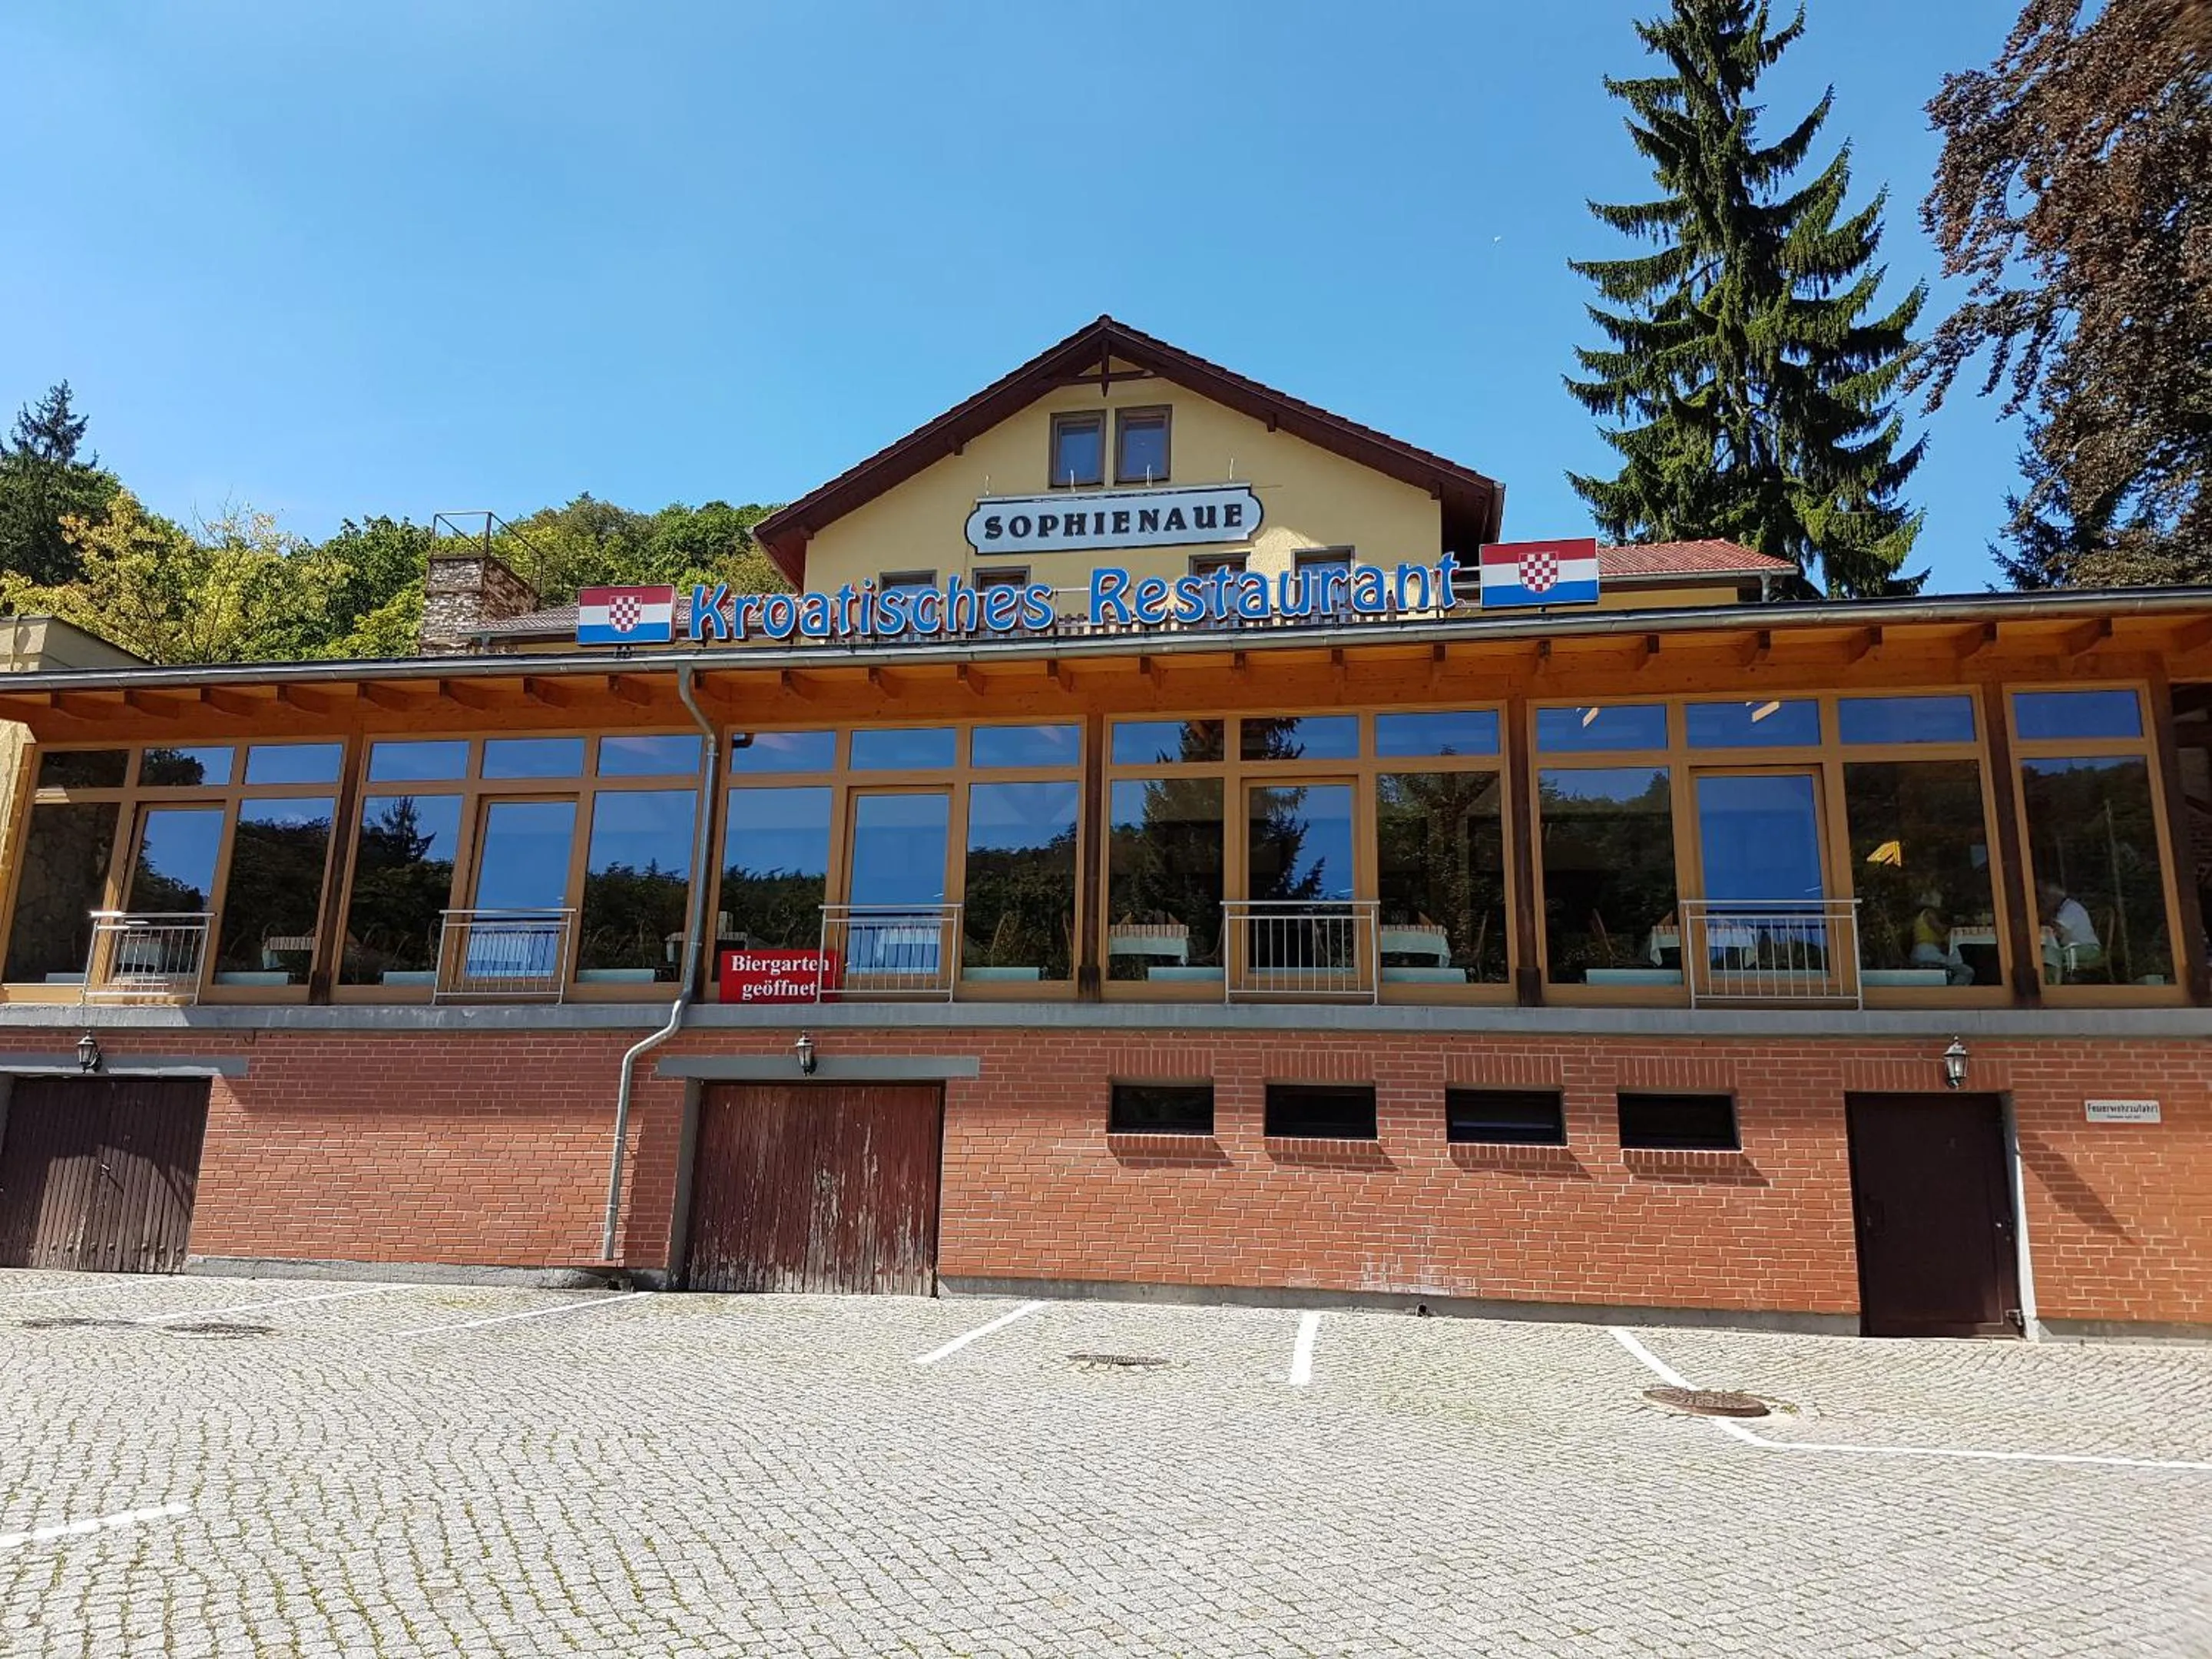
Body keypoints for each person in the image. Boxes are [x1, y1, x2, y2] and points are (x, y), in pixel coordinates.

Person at [2038, 879, 2103, 981]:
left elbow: (2058, 932)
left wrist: (2044, 918)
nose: (2044, 903)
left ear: (2054, 898)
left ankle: (2052, 986)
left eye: (2045, 900)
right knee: (2045, 952)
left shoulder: (2071, 908)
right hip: (2075, 947)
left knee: (2050, 954)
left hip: (2087, 949)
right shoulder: (2063, 909)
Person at [1909, 890, 1973, 985]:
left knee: (1957, 967)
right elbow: (1941, 930)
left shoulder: (1923, 915)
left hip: (1925, 953)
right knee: (1966, 972)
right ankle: (1953, 994)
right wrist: (1954, 924)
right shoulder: (1929, 914)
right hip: (1927, 954)